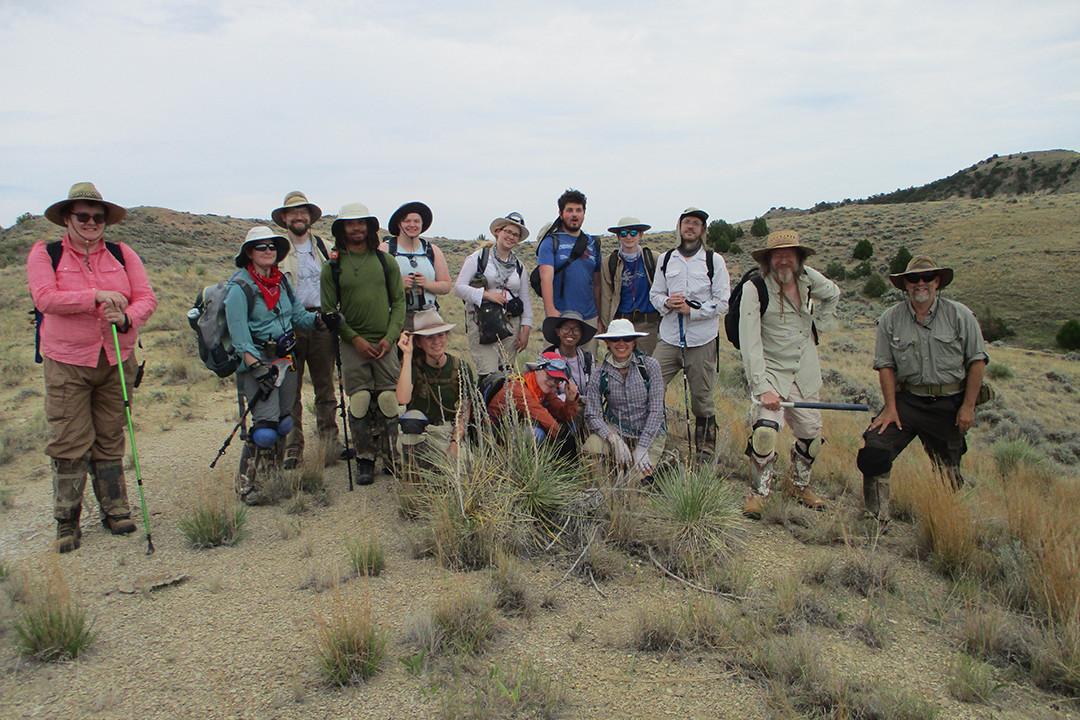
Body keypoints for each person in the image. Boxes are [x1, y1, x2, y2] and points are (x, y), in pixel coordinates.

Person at [27, 182, 158, 552]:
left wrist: (127, 318)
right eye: (82, 216)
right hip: (68, 361)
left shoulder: (121, 253)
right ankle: (66, 520)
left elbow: (146, 297)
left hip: (117, 356)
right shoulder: (46, 254)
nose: (90, 222)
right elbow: (45, 298)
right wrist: (95, 297)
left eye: (97, 217)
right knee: (69, 439)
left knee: (110, 434)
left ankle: (116, 509)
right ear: (67, 218)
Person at [856, 256, 989, 522]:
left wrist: (967, 407)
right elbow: (885, 366)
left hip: (948, 404)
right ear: (904, 284)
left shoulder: (960, 315)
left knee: (948, 472)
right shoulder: (890, 319)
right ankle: (876, 518)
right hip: (907, 402)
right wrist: (891, 408)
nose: (921, 283)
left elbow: (977, 361)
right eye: (914, 278)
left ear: (937, 281)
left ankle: (948, 522)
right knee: (875, 450)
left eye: (927, 277)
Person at [738, 230, 841, 519]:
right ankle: (758, 493)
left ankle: (799, 485)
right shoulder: (755, 288)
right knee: (764, 434)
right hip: (771, 372)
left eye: (789, 254)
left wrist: (819, 322)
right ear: (769, 259)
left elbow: (833, 294)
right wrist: (762, 387)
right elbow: (750, 342)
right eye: (777, 254)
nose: (783, 260)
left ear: (799, 258)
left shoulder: (808, 280)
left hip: (804, 372)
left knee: (812, 438)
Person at [227, 226, 321, 505]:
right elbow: (239, 336)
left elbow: (297, 315)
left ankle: (273, 477)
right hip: (260, 364)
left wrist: (319, 321)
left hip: (285, 360)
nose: (268, 251)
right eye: (261, 247)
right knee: (265, 428)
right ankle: (248, 483)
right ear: (249, 253)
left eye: (272, 247)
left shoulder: (280, 282)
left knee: (283, 423)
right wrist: (257, 367)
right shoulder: (239, 288)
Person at [322, 202, 406, 485]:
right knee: (358, 401)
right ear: (342, 229)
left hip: (385, 341)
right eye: (350, 223)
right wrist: (354, 339)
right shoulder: (333, 267)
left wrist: (389, 338)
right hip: (351, 343)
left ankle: (392, 456)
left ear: (370, 227)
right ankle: (365, 458)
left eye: (362, 223)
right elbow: (329, 311)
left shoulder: (385, 262)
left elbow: (399, 302)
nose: (356, 228)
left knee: (387, 399)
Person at [649, 207, 731, 463]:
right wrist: (667, 303)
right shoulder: (665, 259)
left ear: (703, 230)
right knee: (651, 387)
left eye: (696, 223)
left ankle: (704, 454)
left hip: (701, 340)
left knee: (701, 399)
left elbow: (722, 302)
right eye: (687, 222)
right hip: (670, 338)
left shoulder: (713, 260)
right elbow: (655, 294)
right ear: (680, 226)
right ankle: (652, 441)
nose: (691, 227)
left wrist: (692, 310)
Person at [271, 191, 338, 469]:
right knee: (290, 390)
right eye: (293, 212)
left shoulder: (324, 246)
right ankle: (293, 446)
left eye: (303, 212)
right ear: (285, 218)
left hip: (321, 322)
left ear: (310, 217)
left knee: (325, 386)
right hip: (289, 326)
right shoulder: (276, 250)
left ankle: (330, 442)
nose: (299, 216)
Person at [583, 319, 666, 484]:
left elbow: (657, 410)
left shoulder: (650, 366)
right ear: (607, 342)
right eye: (615, 339)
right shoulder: (599, 374)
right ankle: (603, 492)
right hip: (618, 430)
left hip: (650, 433)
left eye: (626, 338)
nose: (621, 343)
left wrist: (642, 446)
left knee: (634, 484)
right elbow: (592, 414)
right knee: (590, 449)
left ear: (634, 342)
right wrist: (613, 439)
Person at [454, 212, 533, 377]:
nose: (511, 237)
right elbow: (459, 288)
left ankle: (505, 404)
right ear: (498, 231)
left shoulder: (519, 266)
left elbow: (525, 298)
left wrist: (525, 329)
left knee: (507, 375)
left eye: (515, 235)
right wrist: (487, 296)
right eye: (508, 232)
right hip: (483, 322)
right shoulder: (478, 258)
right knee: (488, 374)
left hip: (511, 324)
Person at [395, 308, 474, 465]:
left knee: (465, 467)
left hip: (448, 432)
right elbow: (402, 398)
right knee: (412, 419)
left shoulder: (461, 368)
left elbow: (464, 411)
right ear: (418, 342)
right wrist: (407, 355)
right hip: (420, 433)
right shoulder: (412, 366)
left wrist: (455, 442)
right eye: (429, 337)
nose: (436, 341)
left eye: (440, 335)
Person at [536, 189, 602, 350]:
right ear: (561, 213)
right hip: (560, 315)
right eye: (569, 210)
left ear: (584, 213)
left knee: (588, 367)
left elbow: (597, 283)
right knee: (554, 367)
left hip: (588, 317)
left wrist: (599, 316)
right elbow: (546, 278)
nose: (574, 215)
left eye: (578, 210)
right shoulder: (550, 242)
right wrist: (550, 310)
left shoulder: (592, 243)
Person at [487, 351, 579, 458]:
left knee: (569, 425)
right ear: (537, 370)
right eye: (549, 376)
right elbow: (544, 418)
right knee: (536, 434)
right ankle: (520, 466)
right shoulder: (518, 388)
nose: (553, 382)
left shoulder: (543, 390)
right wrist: (566, 442)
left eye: (557, 380)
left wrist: (571, 400)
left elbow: (564, 415)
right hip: (492, 436)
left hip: (512, 431)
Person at [380, 201, 453, 329]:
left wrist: (427, 284)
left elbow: (446, 285)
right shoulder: (385, 249)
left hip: (429, 317)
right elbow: (374, 285)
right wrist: (397, 286)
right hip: (395, 319)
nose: (412, 225)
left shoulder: (432, 250)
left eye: (416, 221)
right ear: (399, 224)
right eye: (407, 221)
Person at [600, 217, 660, 355]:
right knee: (621, 366)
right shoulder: (609, 262)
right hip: (621, 324)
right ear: (617, 236)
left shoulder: (654, 259)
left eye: (633, 233)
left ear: (640, 235)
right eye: (624, 233)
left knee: (646, 367)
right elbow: (606, 296)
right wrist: (607, 327)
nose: (628, 237)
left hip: (648, 324)